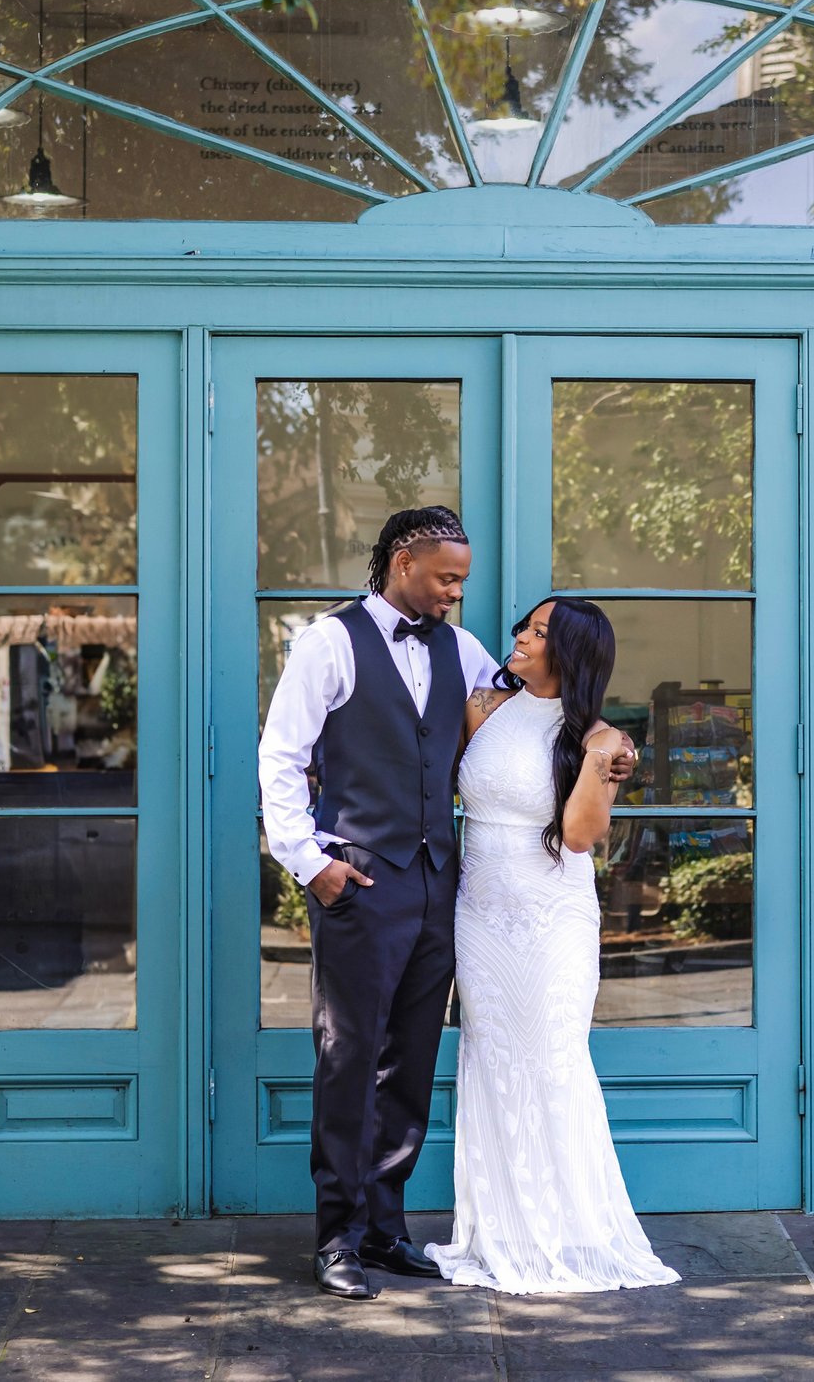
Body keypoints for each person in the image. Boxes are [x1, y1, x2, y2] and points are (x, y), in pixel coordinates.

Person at [260, 507, 633, 1299]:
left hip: (446, 887)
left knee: (412, 1063)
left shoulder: (461, 650)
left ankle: (388, 1229)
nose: (457, 593)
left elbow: (541, 717)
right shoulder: (330, 642)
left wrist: (610, 745)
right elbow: (281, 756)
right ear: (402, 562)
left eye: (462, 578)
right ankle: (338, 1237)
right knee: (349, 1056)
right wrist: (308, 861)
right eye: (446, 577)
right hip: (359, 880)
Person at [428, 597, 679, 1294]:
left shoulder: (598, 738)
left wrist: (602, 758)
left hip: (553, 917)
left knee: (554, 1060)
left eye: (539, 633)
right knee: (493, 1060)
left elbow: (575, 836)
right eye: (525, 626)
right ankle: (501, 1230)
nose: (521, 638)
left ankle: (568, 1232)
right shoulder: (483, 708)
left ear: (568, 654)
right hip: (479, 913)